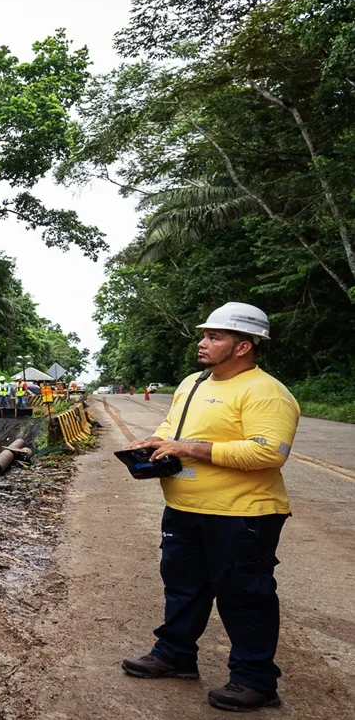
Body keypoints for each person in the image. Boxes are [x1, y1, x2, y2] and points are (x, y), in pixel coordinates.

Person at [120, 302, 300, 712]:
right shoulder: (193, 382)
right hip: (184, 508)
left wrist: (188, 448)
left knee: (244, 596)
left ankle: (255, 680)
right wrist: (155, 441)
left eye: (214, 337)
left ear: (243, 346)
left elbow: (268, 453)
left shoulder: (267, 392)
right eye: (204, 335)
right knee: (182, 587)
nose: (202, 343)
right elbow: (174, 428)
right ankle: (175, 654)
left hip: (243, 514)